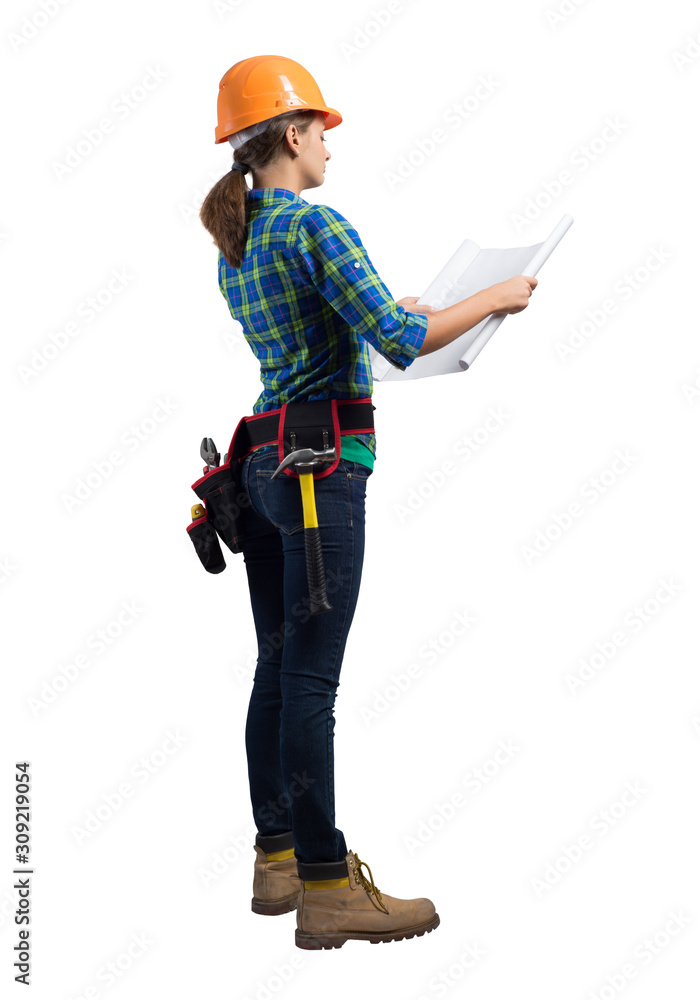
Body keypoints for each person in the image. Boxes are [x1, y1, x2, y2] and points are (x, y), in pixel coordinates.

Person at [199, 54, 537, 951]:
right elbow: (396, 336)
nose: (330, 147)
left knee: (277, 670)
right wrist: (494, 297)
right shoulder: (317, 225)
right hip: (320, 474)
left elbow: (330, 334)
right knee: (312, 682)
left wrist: (400, 310)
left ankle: (277, 859)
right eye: (321, 131)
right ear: (293, 134)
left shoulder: (239, 242)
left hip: (265, 468)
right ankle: (327, 884)